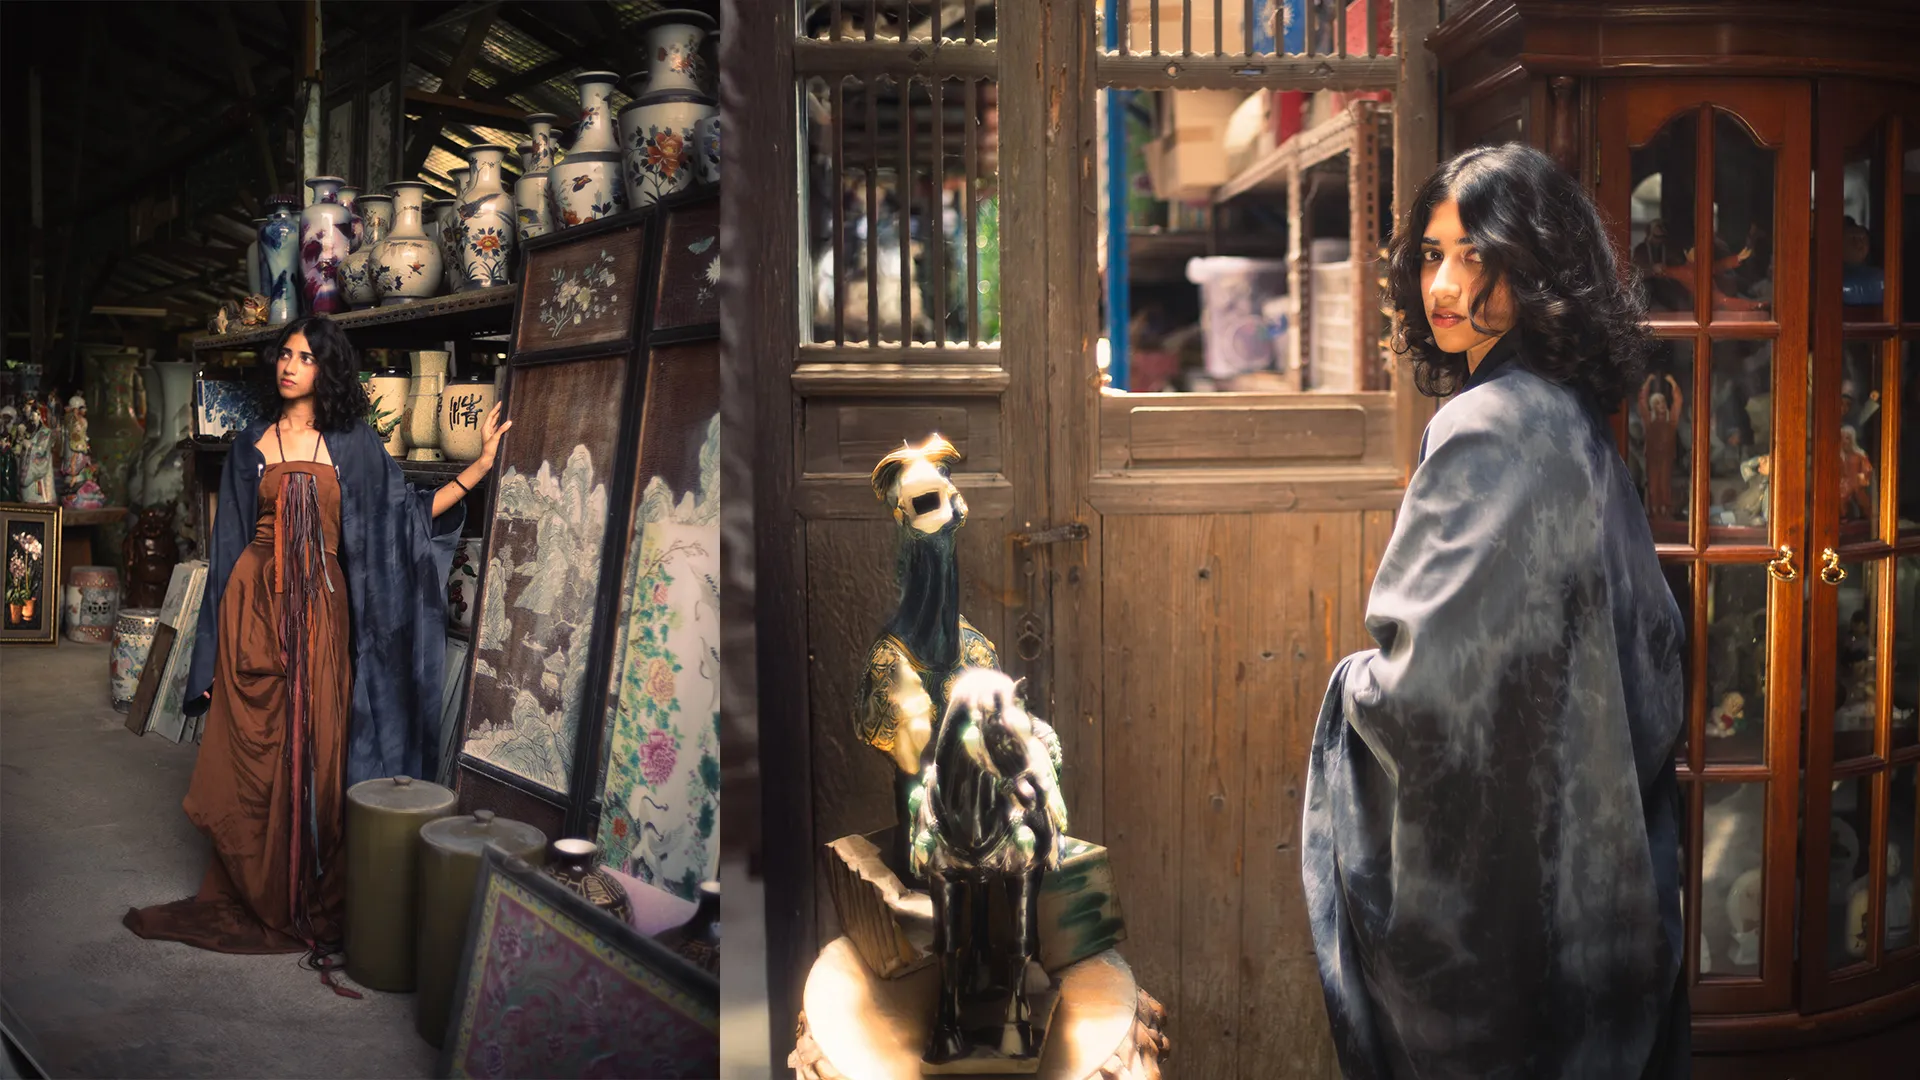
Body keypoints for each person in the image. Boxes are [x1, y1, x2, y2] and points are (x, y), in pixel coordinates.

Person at [1302, 144, 1689, 1079]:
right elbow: (1651, 657)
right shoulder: (1566, 412)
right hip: (1602, 883)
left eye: (1476, 256)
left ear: (1537, 265)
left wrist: (1351, 685)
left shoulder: (1485, 425)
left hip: (1507, 913)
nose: (1443, 285)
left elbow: (1424, 688)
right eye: (1432, 254)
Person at [125, 316, 510, 992]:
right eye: (285, 354)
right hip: (253, 611)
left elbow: (404, 526)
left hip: (324, 621)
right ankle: (259, 890)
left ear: (327, 369)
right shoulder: (250, 444)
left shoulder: (355, 446)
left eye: (305, 357)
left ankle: (310, 890)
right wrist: (210, 657)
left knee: (326, 752)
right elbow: (226, 551)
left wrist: (477, 468)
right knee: (255, 754)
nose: (289, 365)